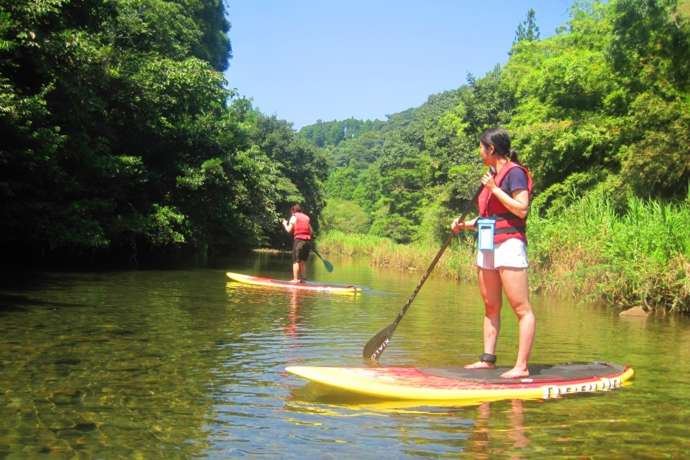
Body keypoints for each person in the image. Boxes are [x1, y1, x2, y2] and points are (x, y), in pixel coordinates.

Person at [451, 127, 536, 379]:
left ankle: (521, 366)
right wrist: (463, 224)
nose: (479, 152)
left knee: (521, 308)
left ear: (491, 149)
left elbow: (521, 209)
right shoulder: (491, 174)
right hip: (488, 244)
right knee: (490, 305)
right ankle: (487, 360)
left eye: (481, 147)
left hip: (509, 243)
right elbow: (490, 217)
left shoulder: (515, 173)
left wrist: (494, 188)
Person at [282, 204, 313, 283]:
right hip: (307, 241)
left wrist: (285, 224)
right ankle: (303, 280)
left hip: (299, 240)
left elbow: (289, 230)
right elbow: (311, 231)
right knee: (302, 261)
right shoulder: (306, 218)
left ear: (293, 211)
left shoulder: (294, 217)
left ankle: (295, 280)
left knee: (296, 261)